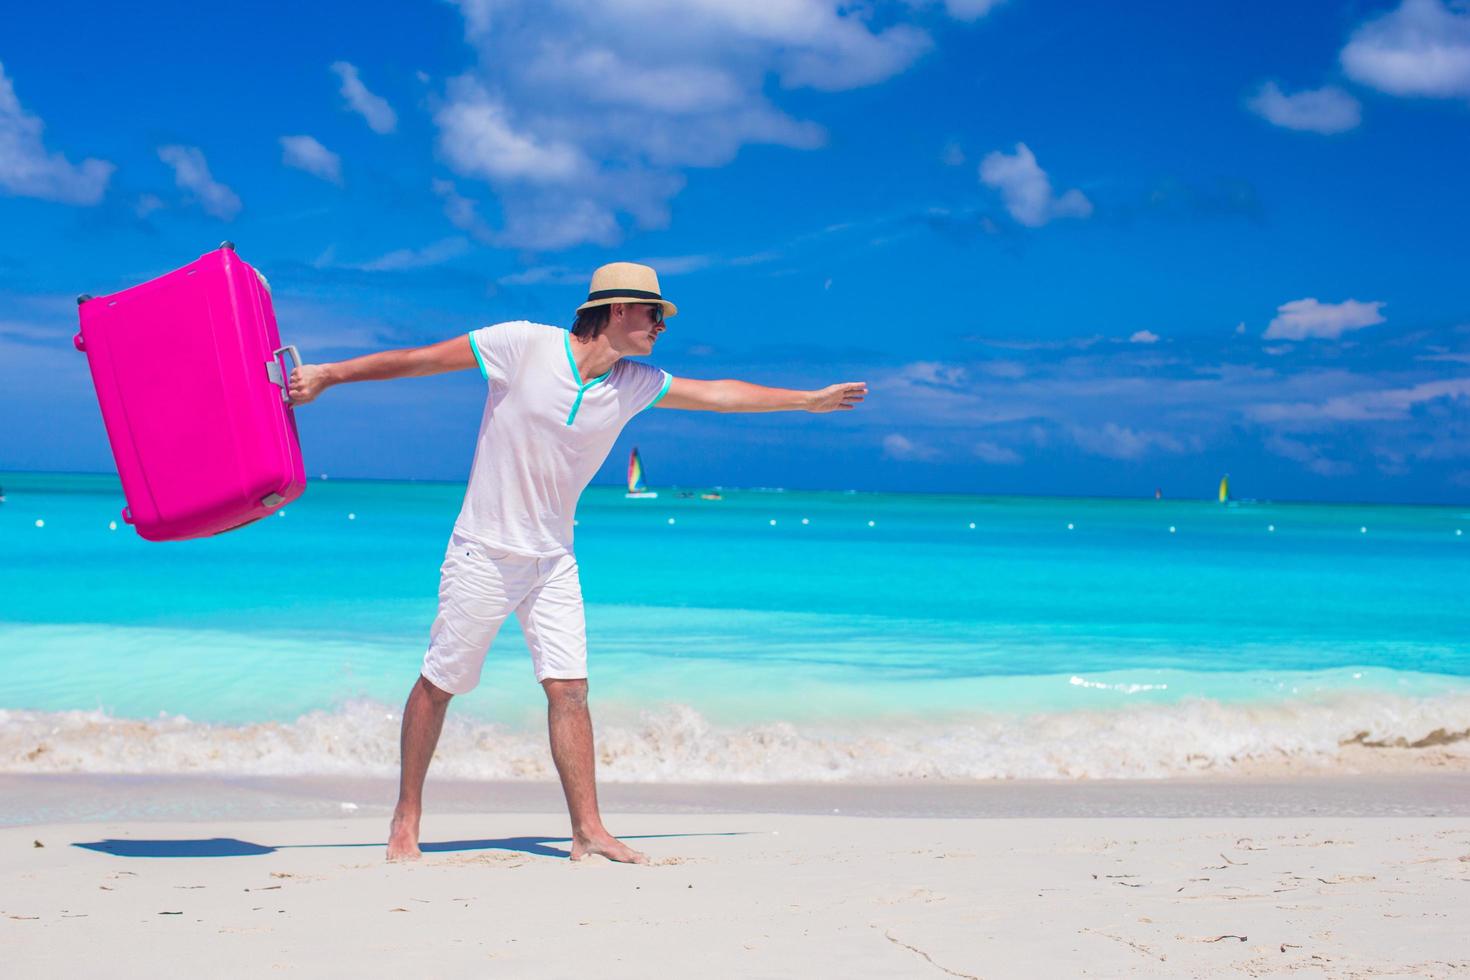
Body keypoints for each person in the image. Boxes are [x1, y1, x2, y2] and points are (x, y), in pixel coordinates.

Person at [287, 262, 866, 863]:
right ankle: (406, 814)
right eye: (653, 315)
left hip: (553, 559)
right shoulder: (522, 345)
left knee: (570, 690)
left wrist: (806, 401)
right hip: (483, 549)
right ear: (617, 310)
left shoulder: (634, 383)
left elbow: (718, 394)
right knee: (441, 684)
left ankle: (587, 830)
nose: (660, 327)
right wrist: (330, 375)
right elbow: (419, 361)